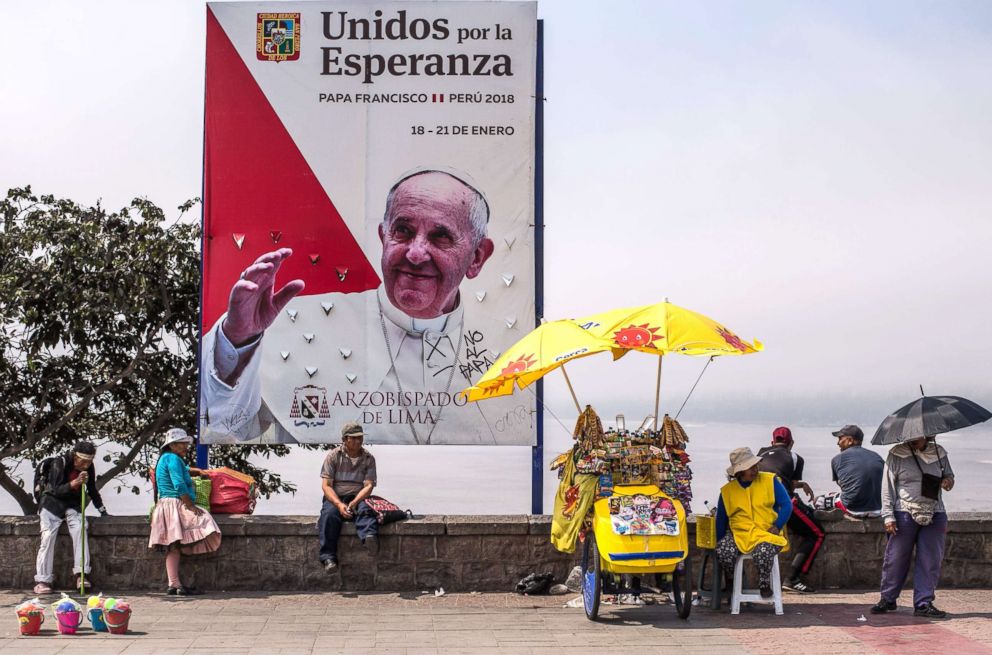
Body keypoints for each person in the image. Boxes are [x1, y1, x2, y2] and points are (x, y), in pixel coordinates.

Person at [200, 169, 525, 446]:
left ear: (477, 257)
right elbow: (228, 423)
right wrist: (238, 340)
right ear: (384, 237)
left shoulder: (511, 353)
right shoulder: (298, 322)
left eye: (441, 237)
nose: (415, 253)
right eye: (403, 231)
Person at [871, 436, 955, 618]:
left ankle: (923, 603)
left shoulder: (939, 453)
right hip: (904, 512)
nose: (913, 439)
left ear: (927, 435)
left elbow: (949, 475)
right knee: (896, 558)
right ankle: (888, 598)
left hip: (935, 512)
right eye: (911, 436)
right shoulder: (896, 454)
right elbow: (887, 487)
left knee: (930, 559)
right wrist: (888, 516)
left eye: (918, 436)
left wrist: (948, 482)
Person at [148, 428, 222, 595]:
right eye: (182, 444)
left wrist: (196, 471)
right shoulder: (173, 459)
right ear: (172, 445)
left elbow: (183, 470)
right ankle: (175, 584)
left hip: (165, 504)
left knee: (174, 547)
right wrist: (190, 505)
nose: (186, 446)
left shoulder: (167, 458)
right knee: (203, 519)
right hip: (175, 504)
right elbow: (179, 483)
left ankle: (174, 584)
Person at [33, 441, 109, 595]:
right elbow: (55, 489)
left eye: (90, 462)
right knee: (48, 537)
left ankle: (82, 574)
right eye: (83, 461)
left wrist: (102, 510)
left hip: (72, 505)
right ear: (75, 457)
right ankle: (43, 580)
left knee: (80, 529)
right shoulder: (59, 463)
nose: (86, 465)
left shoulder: (88, 467)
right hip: (51, 504)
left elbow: (92, 489)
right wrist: (74, 483)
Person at [716, 447, 792, 599]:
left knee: (763, 551)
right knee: (723, 550)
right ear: (739, 472)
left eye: (755, 466)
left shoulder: (770, 480)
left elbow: (787, 505)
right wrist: (720, 539)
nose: (754, 470)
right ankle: (731, 580)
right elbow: (721, 519)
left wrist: (777, 525)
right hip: (740, 535)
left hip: (766, 533)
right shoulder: (727, 491)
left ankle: (764, 583)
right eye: (749, 468)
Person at [758, 426, 824, 593]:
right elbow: (790, 484)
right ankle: (793, 578)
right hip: (783, 503)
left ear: (772, 442)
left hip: (760, 505)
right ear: (791, 443)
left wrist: (801, 485)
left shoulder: (760, 454)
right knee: (816, 533)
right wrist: (802, 484)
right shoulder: (795, 457)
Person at [318, 421, 379, 572]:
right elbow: (326, 485)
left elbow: (369, 486)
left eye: (360, 437)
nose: (358, 441)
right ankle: (328, 558)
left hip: (358, 495)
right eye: (354, 438)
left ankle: (369, 537)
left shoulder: (368, 458)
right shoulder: (333, 456)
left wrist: (355, 501)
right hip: (336, 496)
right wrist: (339, 505)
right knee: (329, 516)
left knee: (366, 509)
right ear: (345, 439)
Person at [828, 424, 884, 517]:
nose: (838, 443)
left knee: (818, 501)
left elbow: (842, 485)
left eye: (840, 439)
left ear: (850, 441)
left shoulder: (837, 459)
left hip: (853, 509)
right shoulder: (877, 456)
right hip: (878, 509)